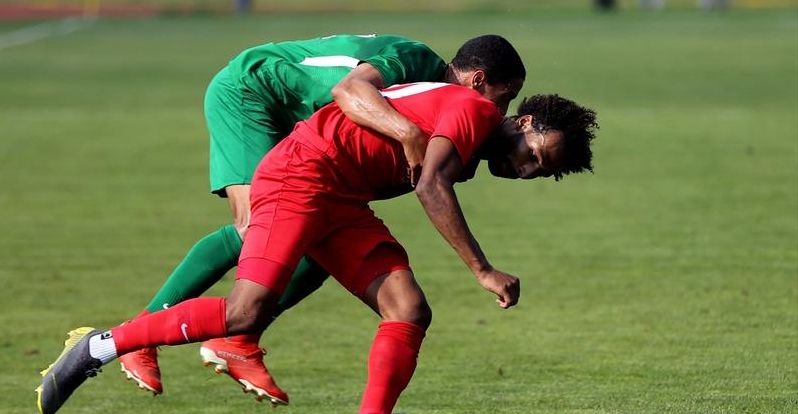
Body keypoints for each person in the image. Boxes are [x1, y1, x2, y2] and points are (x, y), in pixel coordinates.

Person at [36, 85, 598, 414]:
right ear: (524, 120)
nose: (525, 169)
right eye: (535, 154)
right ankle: (99, 347)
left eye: (537, 173)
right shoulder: (476, 112)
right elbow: (430, 185)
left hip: (339, 199)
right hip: (302, 176)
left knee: (408, 309)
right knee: (245, 311)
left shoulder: (472, 140)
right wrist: (481, 269)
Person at [107, 34, 528, 403]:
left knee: (315, 240)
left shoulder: (441, 103)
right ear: (478, 81)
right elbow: (349, 90)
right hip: (253, 91)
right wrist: (407, 133)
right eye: (504, 96)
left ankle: (238, 341)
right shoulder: (415, 60)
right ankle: (138, 334)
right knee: (256, 227)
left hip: (303, 125)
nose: (502, 109)